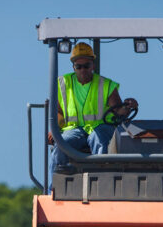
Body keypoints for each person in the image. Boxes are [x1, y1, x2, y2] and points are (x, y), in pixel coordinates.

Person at [49, 42, 138, 179]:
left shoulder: (106, 85)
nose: (82, 69)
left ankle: (99, 182)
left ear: (93, 66)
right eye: (79, 66)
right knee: (62, 143)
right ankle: (55, 186)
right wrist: (54, 130)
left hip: (100, 127)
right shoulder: (63, 84)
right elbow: (59, 113)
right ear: (73, 67)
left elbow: (118, 111)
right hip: (75, 129)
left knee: (98, 139)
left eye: (86, 66)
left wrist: (127, 106)